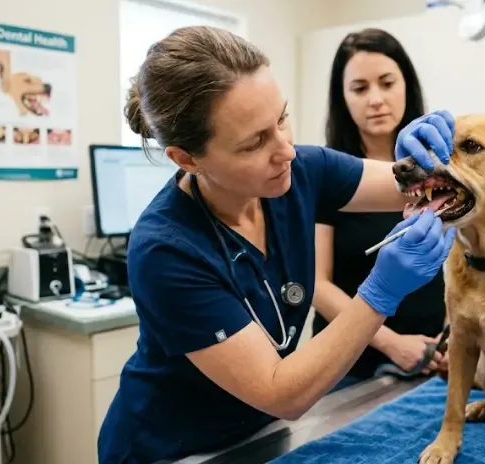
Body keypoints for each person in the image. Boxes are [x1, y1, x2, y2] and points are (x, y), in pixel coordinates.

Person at [96, 25, 458, 464]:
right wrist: (381, 291)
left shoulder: (301, 171)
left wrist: (432, 159)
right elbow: (281, 392)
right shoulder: (167, 251)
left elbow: (411, 184)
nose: (286, 150)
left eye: (282, 119)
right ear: (187, 159)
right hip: (171, 449)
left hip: (259, 435)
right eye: (255, 142)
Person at [313, 28, 449, 391]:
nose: (376, 99)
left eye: (387, 83)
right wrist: (391, 344)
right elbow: (316, 283)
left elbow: (461, 269)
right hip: (351, 364)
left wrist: (455, 338)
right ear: (342, 98)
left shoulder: (441, 168)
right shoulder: (328, 176)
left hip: (433, 358)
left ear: (407, 85)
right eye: (360, 88)